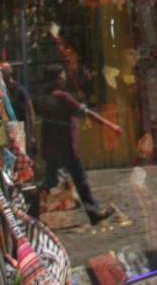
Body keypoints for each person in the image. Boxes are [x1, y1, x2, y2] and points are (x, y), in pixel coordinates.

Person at [37, 65, 115, 225]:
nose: (64, 79)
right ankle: (93, 212)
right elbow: (86, 113)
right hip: (67, 147)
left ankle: (32, 215)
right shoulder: (62, 97)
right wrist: (110, 125)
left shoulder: (44, 98)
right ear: (58, 79)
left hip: (52, 147)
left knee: (51, 182)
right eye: (62, 76)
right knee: (79, 180)